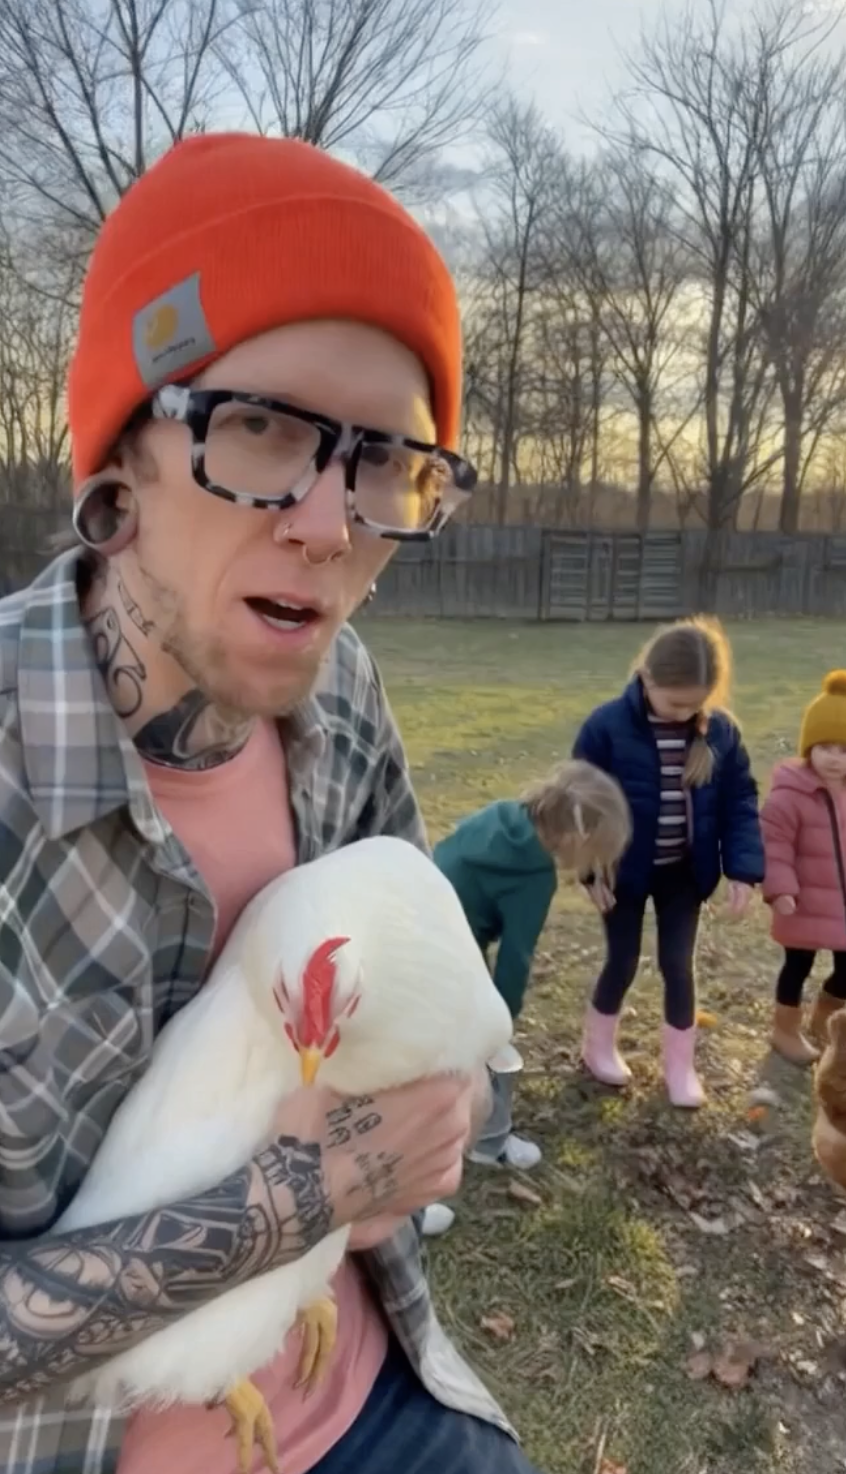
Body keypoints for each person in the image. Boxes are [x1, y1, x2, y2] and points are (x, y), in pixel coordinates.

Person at [0, 134, 542, 1474]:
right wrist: (292, 1194)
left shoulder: (341, 696)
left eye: (384, 464)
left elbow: (417, 1026)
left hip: (388, 1395)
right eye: (261, 427)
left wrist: (443, 1105)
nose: (326, 521)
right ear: (119, 456)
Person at [420, 760, 631, 1237]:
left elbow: (443, 854)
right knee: (466, 1054)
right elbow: (515, 958)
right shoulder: (534, 877)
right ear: (576, 839)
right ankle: (480, 1144)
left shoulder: (501, 816)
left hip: (417, 922)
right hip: (450, 952)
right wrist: (500, 1025)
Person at [572, 616, 764, 1109]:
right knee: (623, 959)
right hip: (623, 871)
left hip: (685, 872)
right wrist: (590, 870)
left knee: (679, 964)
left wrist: (743, 869)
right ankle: (598, 1048)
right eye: (675, 702)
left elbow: (739, 800)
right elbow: (578, 802)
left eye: (695, 704)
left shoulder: (720, 733)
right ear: (648, 678)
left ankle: (680, 1068)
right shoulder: (606, 727)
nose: (684, 713)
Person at [762, 671, 846, 1066]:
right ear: (809, 747)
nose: (835, 757)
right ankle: (785, 1030)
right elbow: (774, 846)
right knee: (797, 966)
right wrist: (780, 889)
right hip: (804, 901)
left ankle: (826, 1021)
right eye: (826, 747)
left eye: (844, 749)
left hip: (842, 904)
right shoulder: (790, 795)